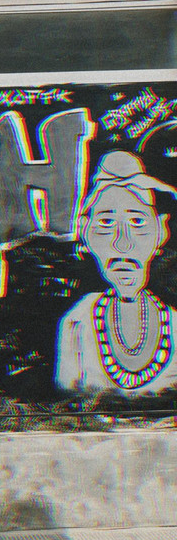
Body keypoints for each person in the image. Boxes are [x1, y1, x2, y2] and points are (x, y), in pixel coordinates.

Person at [56, 151, 177, 394]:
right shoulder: (77, 322)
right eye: (106, 223)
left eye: (137, 222)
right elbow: (67, 397)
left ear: (161, 231)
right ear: (84, 232)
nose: (122, 244)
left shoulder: (174, 324)